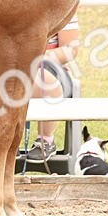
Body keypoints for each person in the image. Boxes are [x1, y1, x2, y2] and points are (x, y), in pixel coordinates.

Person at [24, 16, 80, 162]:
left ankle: (45, 139)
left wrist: (38, 59)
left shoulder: (63, 4)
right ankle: (8, 140)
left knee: (41, 77)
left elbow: (71, 49)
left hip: (51, 66)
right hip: (15, 66)